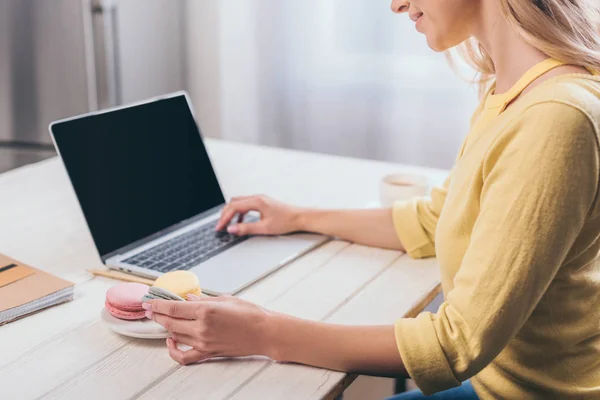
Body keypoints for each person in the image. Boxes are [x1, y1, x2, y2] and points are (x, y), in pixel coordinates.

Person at [143, 0, 600, 398]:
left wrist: (261, 332)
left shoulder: (553, 117)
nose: (397, 5)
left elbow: (453, 344)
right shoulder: (512, 87)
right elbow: (435, 219)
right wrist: (298, 216)